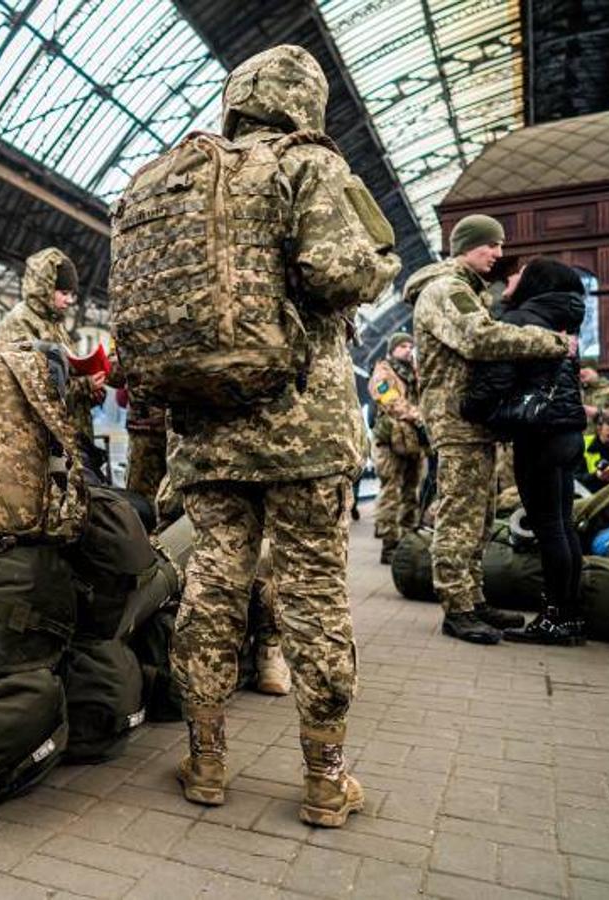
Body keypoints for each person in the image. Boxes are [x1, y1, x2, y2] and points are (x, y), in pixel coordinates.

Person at [166, 45, 401, 828]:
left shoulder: (181, 174)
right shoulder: (308, 167)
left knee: (211, 585)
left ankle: (203, 760)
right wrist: (378, 261)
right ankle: (324, 780)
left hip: (204, 428)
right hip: (300, 429)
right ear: (306, 101)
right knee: (311, 596)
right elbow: (338, 274)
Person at [407, 214, 574, 645]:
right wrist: (553, 343)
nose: (499, 254)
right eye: (491, 245)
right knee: (459, 515)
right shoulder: (446, 290)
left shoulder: (468, 290)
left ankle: (474, 598)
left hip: (476, 420)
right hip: (456, 419)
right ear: (466, 245)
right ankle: (456, 608)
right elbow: (480, 339)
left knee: (479, 516)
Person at [462, 258, 588, 644]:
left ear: (536, 281)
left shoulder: (520, 320)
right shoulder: (562, 320)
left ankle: (554, 620)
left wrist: (469, 407)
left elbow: (497, 377)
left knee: (549, 526)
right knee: (564, 525)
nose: (510, 278)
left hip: (539, 436)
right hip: (567, 432)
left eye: (518, 274)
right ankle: (568, 616)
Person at [0, 248, 104, 447]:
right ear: (44, 287)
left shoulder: (55, 325)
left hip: (66, 439)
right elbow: (31, 385)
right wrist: (85, 386)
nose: (70, 301)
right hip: (37, 442)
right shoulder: (19, 322)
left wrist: (91, 394)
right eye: (64, 293)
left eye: (73, 294)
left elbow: (67, 377)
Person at [367, 332, 424, 563]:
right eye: (402, 345)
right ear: (392, 349)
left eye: (410, 345)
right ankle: (389, 544)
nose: (408, 349)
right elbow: (388, 398)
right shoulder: (383, 372)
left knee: (412, 492)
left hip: (412, 442)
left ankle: (408, 540)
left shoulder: (414, 372)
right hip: (390, 441)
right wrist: (417, 415)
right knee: (391, 491)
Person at [579, 362, 609, 427]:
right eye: (578, 371)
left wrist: (599, 413)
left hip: (607, 434)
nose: (581, 372)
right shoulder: (573, 392)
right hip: (579, 434)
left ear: (595, 371)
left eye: (585, 370)